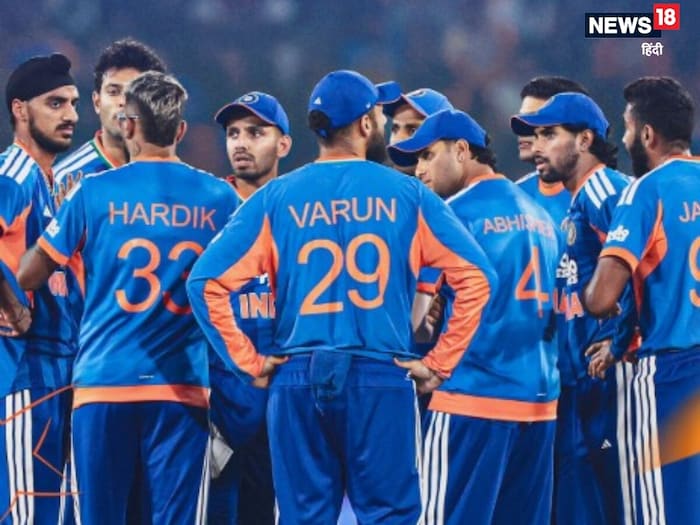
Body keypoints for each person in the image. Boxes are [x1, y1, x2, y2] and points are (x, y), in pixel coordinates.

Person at [186, 69, 498, 525]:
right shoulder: (408, 194)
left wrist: (248, 362)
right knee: (389, 517)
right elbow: (478, 277)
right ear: (366, 124)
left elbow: (205, 282)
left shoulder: (276, 197)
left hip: (296, 376)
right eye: (380, 115)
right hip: (381, 373)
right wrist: (439, 364)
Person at [17, 71, 238, 524]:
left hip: (103, 386)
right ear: (180, 130)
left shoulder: (92, 192)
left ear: (129, 125)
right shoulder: (220, 199)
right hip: (182, 390)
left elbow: (29, 274)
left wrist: (69, 233)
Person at [388, 109, 560, 525]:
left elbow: (415, 322)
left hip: (471, 398)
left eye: (428, 155)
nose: (420, 170)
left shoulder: (450, 215)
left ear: (462, 150)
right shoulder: (541, 216)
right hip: (539, 405)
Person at [511, 92, 637, 524]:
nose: (537, 145)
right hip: (581, 381)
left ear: (584, 140)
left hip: (609, 379)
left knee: (620, 500)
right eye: (536, 135)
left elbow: (641, 267)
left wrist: (619, 341)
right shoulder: (579, 201)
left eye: (549, 134)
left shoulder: (606, 189)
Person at [584, 76, 700, 525]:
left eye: (629, 128)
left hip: (671, 372)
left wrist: (590, 291)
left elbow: (601, 298)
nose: (627, 137)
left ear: (647, 134)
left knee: (657, 511)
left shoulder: (645, 190)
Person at [512, 76, 599, 525]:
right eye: (527, 122)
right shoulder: (512, 198)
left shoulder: (601, 194)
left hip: (591, 376)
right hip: (534, 379)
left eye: (543, 125)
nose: (529, 132)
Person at [0, 52, 79, 524]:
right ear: (20, 109)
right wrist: (12, 303)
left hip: (53, 379)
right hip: (21, 375)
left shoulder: (49, 183)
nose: (70, 115)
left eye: (72, 103)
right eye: (55, 103)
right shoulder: (14, 170)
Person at [208, 91, 291, 525]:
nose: (240, 142)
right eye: (233, 133)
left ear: (283, 144)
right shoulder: (208, 208)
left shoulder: (300, 213)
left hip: (281, 401)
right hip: (219, 405)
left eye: (256, 133)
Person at [53, 38, 166, 203]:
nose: (123, 102)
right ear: (97, 102)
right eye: (114, 92)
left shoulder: (178, 184)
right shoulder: (62, 183)